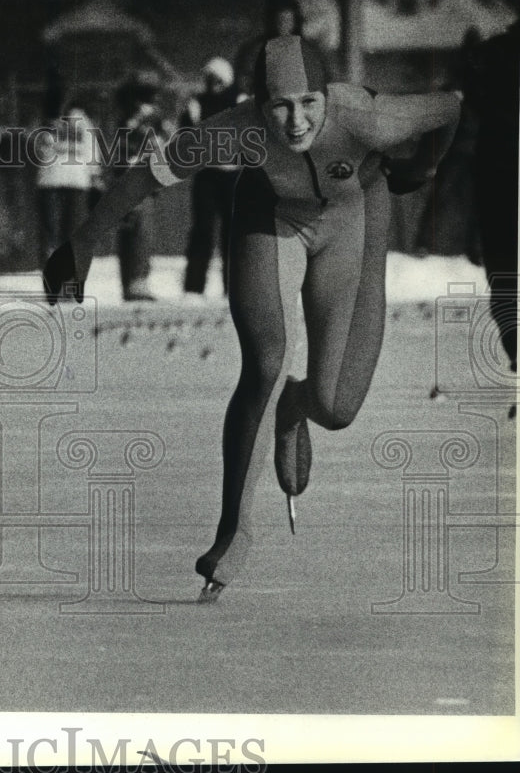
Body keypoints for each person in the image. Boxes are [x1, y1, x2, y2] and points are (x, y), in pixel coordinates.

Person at [44, 36, 461, 602]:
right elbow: (147, 176)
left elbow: (451, 105)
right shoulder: (234, 128)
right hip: (270, 218)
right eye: (279, 106)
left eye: (309, 102)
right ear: (257, 104)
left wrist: (425, 166)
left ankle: (295, 408)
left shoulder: (368, 115)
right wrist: (83, 242)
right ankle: (232, 534)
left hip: (354, 217)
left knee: (337, 407)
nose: (295, 120)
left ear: (327, 97)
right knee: (266, 364)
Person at [463, 19, 518, 413]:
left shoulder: (490, 54)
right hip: (499, 173)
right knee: (505, 279)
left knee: (504, 280)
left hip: (496, 172)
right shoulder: (493, 54)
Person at [181, 57, 243, 297]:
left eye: (218, 80)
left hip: (233, 176)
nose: (214, 84)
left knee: (233, 233)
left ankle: (234, 287)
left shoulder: (239, 102)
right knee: (202, 230)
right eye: (210, 79)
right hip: (206, 175)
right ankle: (194, 287)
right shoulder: (197, 104)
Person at [112, 71, 173, 301]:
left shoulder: (128, 118)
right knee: (141, 231)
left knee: (131, 230)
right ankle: (137, 281)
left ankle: (129, 281)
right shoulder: (144, 119)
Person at [34, 98, 105, 264]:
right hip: (63, 181)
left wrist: (95, 175)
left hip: (64, 181)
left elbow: (90, 152)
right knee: (60, 230)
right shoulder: (50, 123)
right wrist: (95, 175)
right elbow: (91, 153)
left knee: (58, 230)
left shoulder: (80, 124)